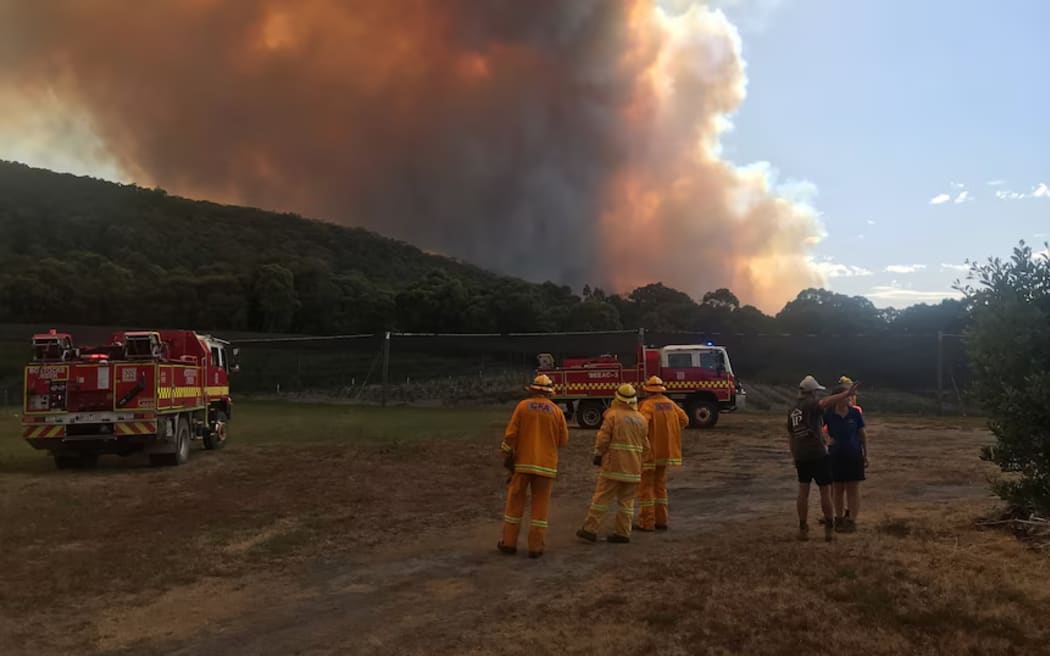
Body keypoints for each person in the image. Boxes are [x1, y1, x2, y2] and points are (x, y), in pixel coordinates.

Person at [498, 373, 570, 559]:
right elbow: (563, 441)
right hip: (546, 467)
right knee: (540, 507)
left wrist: (507, 455)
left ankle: (508, 543)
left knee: (515, 503)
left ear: (533, 390)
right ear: (549, 392)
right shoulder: (557, 412)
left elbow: (510, 435)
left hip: (522, 465)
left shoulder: (522, 407)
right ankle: (535, 547)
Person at [577, 384, 651, 544]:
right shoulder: (641, 420)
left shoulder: (612, 416)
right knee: (627, 503)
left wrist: (598, 455)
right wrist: (640, 463)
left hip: (613, 467)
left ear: (617, 398)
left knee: (602, 499)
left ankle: (590, 529)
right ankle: (623, 533)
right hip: (633, 470)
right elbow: (646, 447)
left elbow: (603, 439)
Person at [788, 376, 858, 541]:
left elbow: (791, 435)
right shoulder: (811, 404)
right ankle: (829, 529)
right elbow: (826, 402)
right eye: (816, 392)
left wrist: (794, 454)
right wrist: (846, 393)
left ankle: (803, 527)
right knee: (825, 491)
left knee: (803, 491)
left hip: (801, 454)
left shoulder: (792, 409)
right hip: (817, 453)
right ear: (812, 392)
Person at [635, 376, 689, 532]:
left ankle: (647, 522)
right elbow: (685, 420)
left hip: (650, 454)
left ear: (648, 390)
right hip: (666, 453)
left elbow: (642, 425)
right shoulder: (671, 404)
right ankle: (661, 520)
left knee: (646, 488)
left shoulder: (647, 405)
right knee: (660, 487)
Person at [825, 382, 867, 532]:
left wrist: (865, 454)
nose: (849, 398)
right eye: (846, 396)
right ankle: (839, 518)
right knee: (837, 489)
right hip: (835, 456)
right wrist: (826, 439)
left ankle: (851, 520)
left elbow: (862, 434)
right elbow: (818, 428)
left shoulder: (855, 413)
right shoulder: (829, 414)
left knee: (852, 489)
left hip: (854, 455)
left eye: (849, 396)